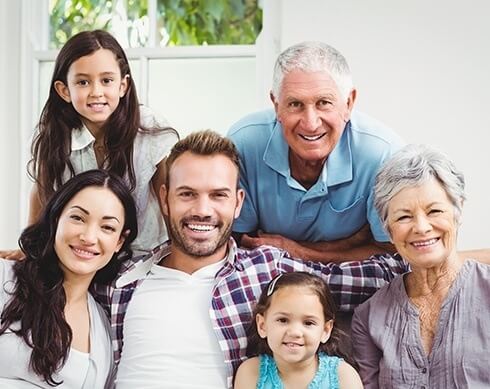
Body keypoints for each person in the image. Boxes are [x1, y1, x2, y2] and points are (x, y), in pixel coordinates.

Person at [94, 130, 408, 389]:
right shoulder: (120, 278)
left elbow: (391, 271)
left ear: (238, 203)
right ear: (164, 199)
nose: (203, 210)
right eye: (187, 194)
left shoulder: (267, 269)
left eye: (218, 195)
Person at [0, 29, 178, 260]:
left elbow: (168, 195)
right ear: (64, 90)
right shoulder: (55, 134)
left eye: (107, 81)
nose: (96, 92)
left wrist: (178, 250)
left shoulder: (147, 127)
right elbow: (41, 192)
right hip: (83, 256)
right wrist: (29, 250)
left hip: (143, 256)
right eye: (83, 82)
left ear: (123, 86)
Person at [228, 41, 404, 262]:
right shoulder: (243, 144)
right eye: (295, 104)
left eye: (323, 102)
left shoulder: (383, 154)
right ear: (276, 105)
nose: (310, 124)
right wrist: (350, 243)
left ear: (348, 103)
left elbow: (393, 253)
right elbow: (239, 244)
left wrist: (295, 251)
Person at [351, 145, 490, 388]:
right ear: (388, 230)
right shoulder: (368, 317)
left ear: (457, 214)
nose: (421, 227)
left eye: (434, 210)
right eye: (404, 216)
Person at [0, 170, 138, 388]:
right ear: (56, 219)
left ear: (119, 241)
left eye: (107, 227)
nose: (88, 237)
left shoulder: (104, 331)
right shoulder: (5, 278)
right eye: (78, 218)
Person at [234, 272, 363, 389]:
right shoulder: (251, 373)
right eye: (283, 320)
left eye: (308, 323)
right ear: (262, 325)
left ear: (325, 330)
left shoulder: (344, 376)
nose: (295, 332)